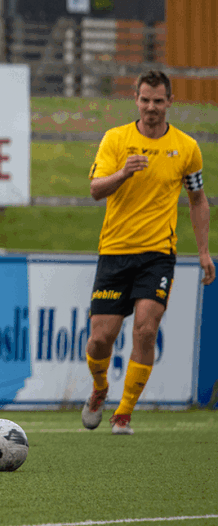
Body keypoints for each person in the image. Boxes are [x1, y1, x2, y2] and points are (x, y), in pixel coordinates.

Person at [82, 69, 214, 435]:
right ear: (135, 100)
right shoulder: (116, 139)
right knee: (99, 339)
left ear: (170, 102)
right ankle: (99, 388)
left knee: (145, 329)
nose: (151, 107)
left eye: (158, 100)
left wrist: (203, 251)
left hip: (158, 253)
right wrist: (123, 173)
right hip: (114, 250)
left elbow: (198, 200)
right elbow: (95, 189)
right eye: (145, 100)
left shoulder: (186, 148)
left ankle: (123, 412)